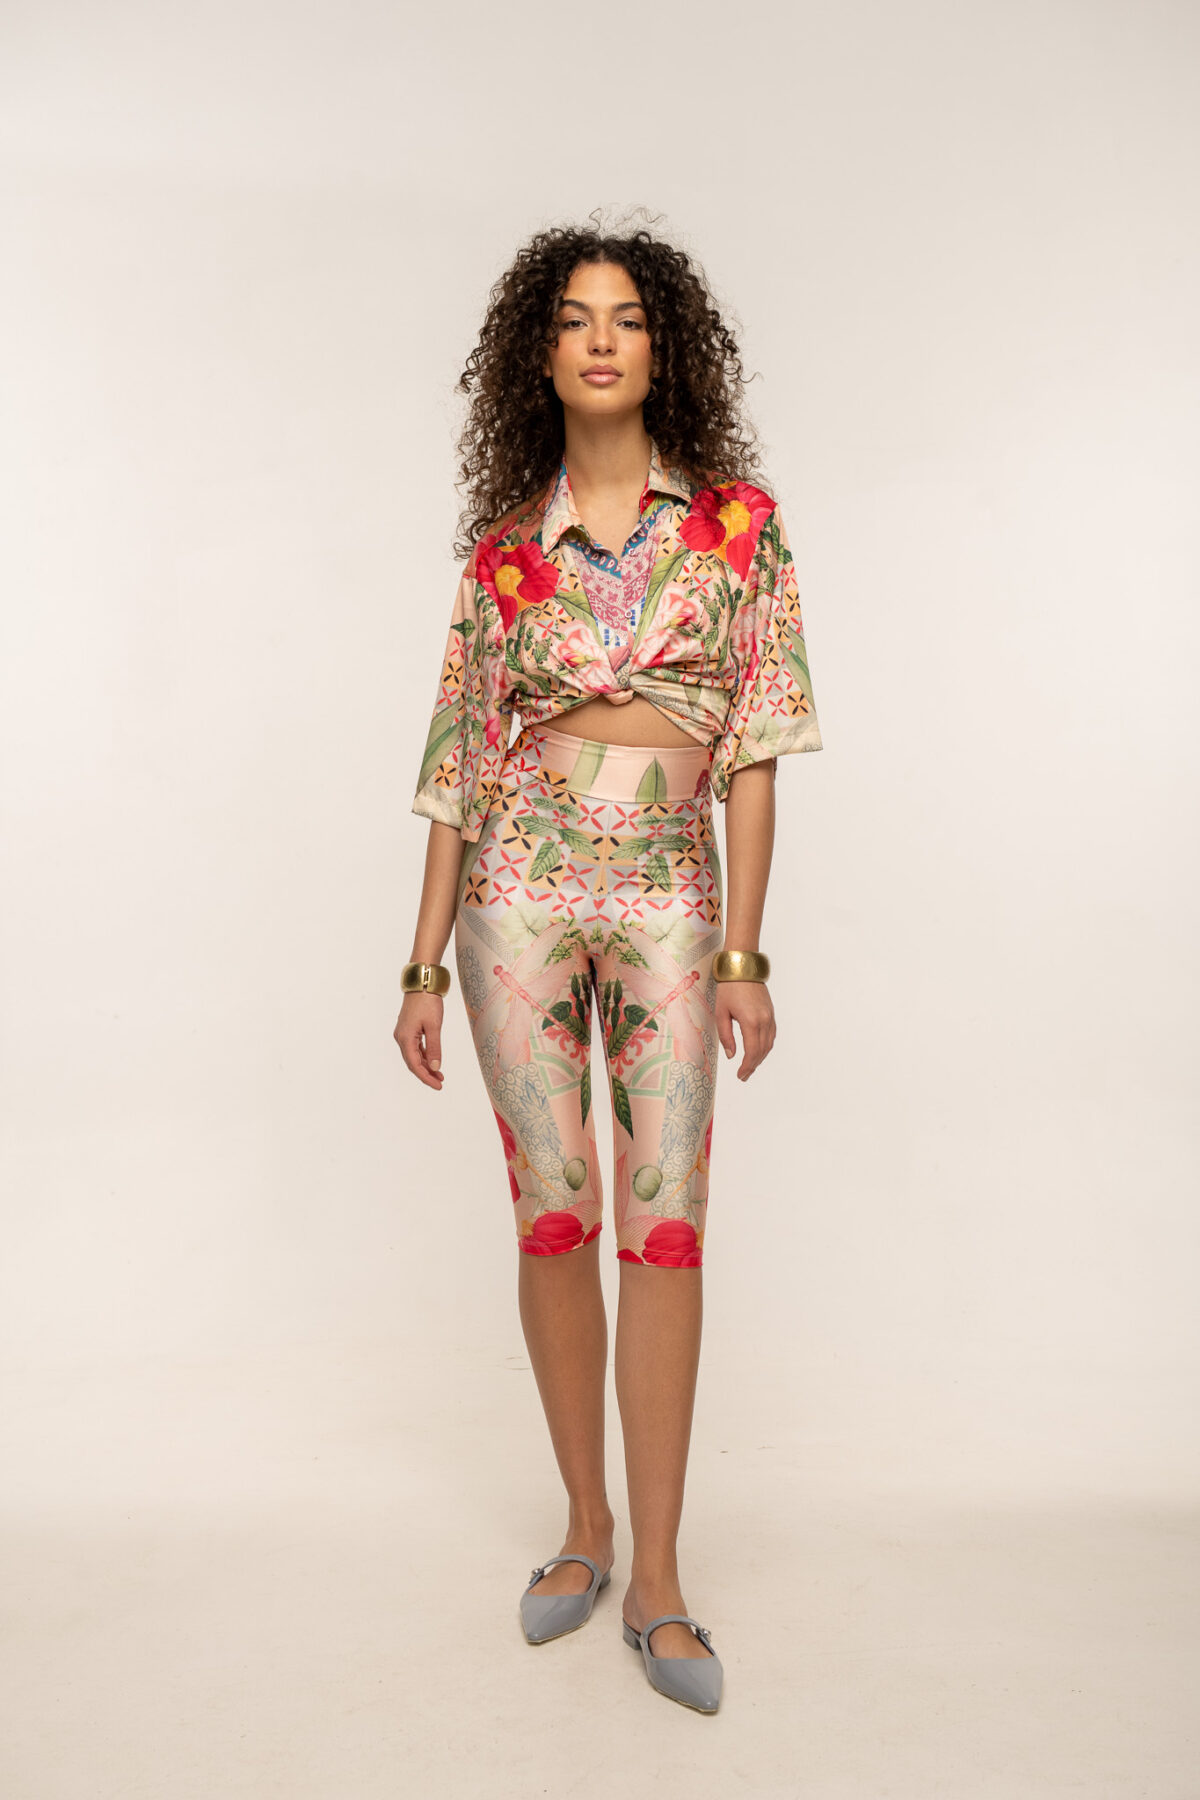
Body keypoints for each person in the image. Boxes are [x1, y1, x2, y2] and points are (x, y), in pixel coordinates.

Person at [394, 221, 822, 1713]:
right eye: (574, 318)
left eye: (627, 318)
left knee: (669, 1222)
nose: (599, 339)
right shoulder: (503, 553)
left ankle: (662, 1578)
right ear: (540, 352)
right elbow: (457, 760)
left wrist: (746, 949)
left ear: (663, 349)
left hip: (668, 891)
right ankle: (585, 1526)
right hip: (515, 882)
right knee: (555, 1211)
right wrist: (421, 965)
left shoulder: (740, 529)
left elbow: (757, 748)